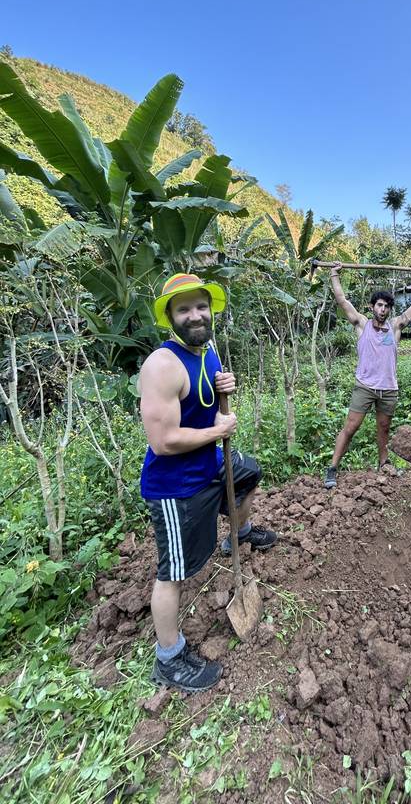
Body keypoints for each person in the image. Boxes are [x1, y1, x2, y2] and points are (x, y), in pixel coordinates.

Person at [139, 273, 277, 692]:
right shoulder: (162, 366)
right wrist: (218, 433)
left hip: (212, 462)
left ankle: (238, 533)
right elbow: (163, 442)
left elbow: (209, 404)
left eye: (201, 306)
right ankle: (169, 657)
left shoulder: (207, 351)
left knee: (248, 472)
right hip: (178, 485)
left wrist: (224, 390)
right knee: (175, 572)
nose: (195, 314)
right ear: (170, 317)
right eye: (184, 309)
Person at [324, 266, 411, 488]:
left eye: (386, 306)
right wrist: (335, 274)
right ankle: (332, 468)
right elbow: (342, 300)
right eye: (380, 305)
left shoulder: (395, 326)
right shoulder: (362, 324)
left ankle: (383, 463)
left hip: (388, 389)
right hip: (365, 386)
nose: (383, 310)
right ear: (372, 307)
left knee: (383, 428)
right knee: (351, 427)